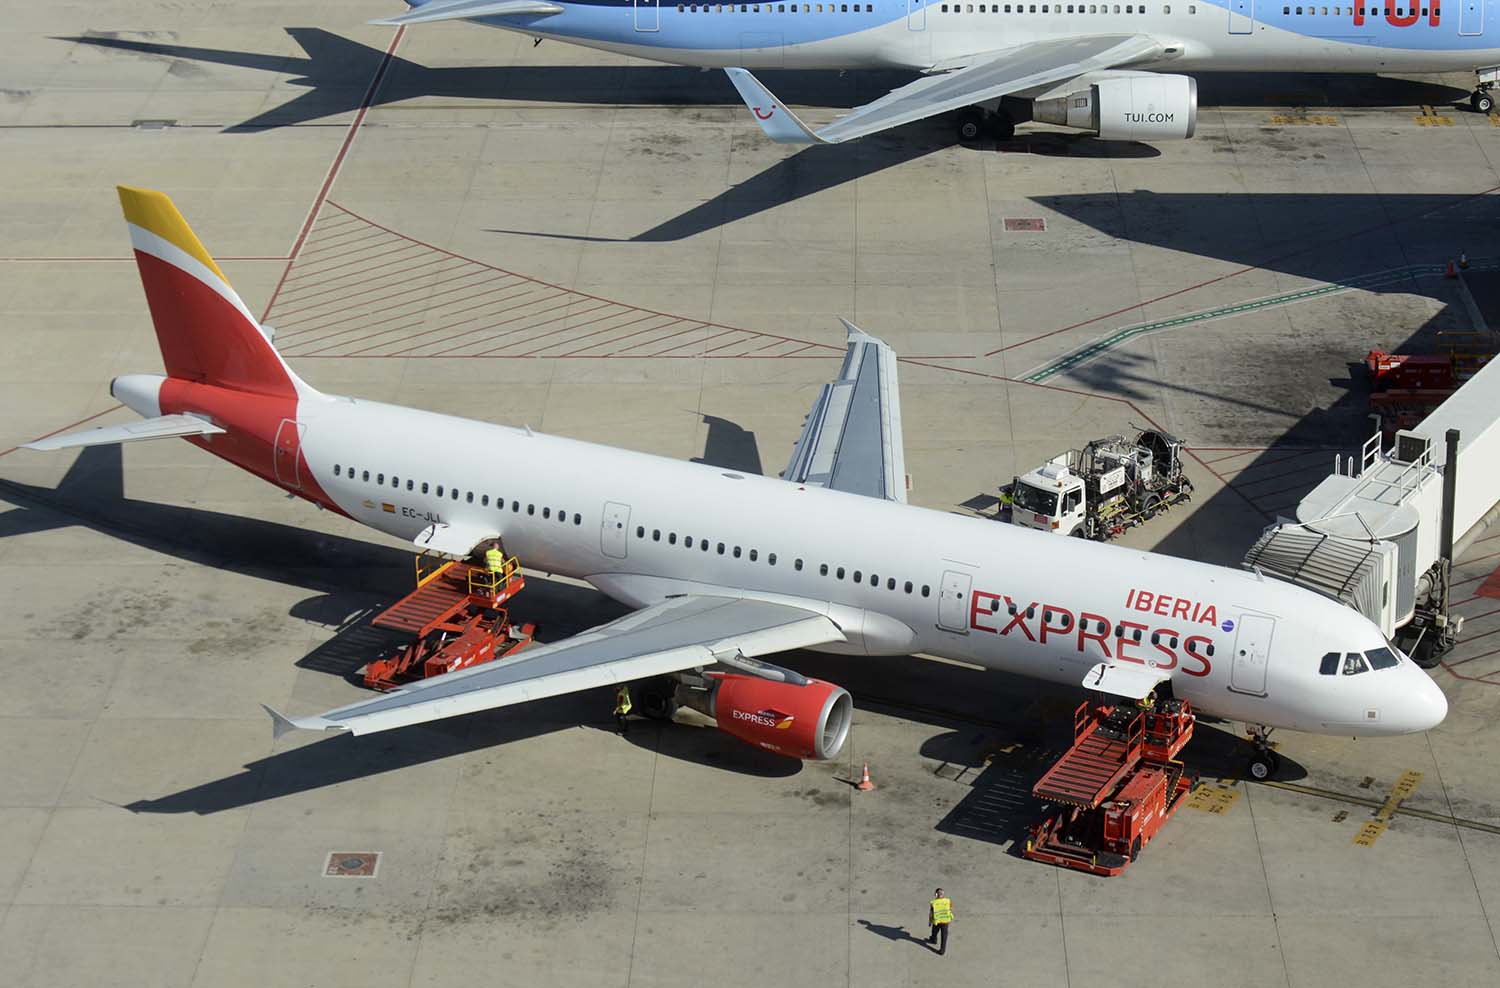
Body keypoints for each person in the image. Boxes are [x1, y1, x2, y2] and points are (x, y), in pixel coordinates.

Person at [928, 888, 953, 954]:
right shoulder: (948, 901)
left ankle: (933, 940)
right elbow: (950, 909)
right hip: (945, 921)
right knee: (944, 936)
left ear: (936, 894)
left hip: (937, 920)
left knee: (934, 931)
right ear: (943, 894)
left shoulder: (934, 903)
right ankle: (942, 951)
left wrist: (930, 922)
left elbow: (931, 913)